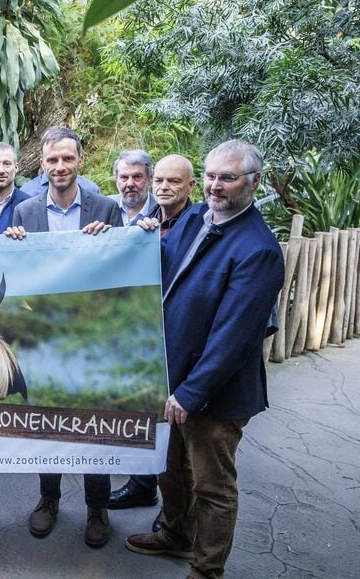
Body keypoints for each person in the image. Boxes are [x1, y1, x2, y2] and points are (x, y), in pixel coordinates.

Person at [125, 140, 284, 579]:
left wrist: (192, 393)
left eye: (227, 178)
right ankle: (175, 534)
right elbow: (159, 265)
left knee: (211, 486)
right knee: (170, 469)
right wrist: (120, 242)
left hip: (214, 394)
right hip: (170, 377)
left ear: (252, 181)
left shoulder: (259, 249)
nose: (216, 186)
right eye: (211, 175)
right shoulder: (194, 217)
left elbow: (235, 336)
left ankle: (206, 569)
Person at [4, 126, 122, 549]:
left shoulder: (106, 209)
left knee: (95, 419)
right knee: (48, 419)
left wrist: (114, 239)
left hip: (90, 335)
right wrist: (11, 244)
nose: (59, 167)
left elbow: (121, 270)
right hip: (44, 337)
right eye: (52, 160)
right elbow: (16, 278)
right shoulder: (26, 213)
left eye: (67, 159)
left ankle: (97, 507)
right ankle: (49, 499)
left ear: (80, 162)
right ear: (42, 164)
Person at [109, 154, 197, 518]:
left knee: (177, 436)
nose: (163, 187)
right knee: (141, 414)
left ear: (191, 186)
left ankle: (176, 514)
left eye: (171, 182)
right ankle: (143, 486)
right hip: (134, 334)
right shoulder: (131, 217)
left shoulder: (199, 223)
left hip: (177, 340)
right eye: (160, 180)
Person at [109, 149, 158, 225]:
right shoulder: (104, 207)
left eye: (137, 177)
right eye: (124, 177)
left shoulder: (162, 210)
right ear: (116, 180)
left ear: (150, 179)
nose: (130, 184)